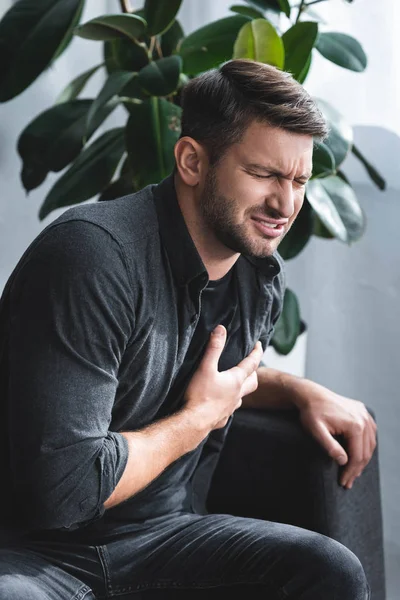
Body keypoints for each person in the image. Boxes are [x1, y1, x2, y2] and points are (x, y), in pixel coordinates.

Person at [0, 59, 375, 600]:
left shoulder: (255, 270)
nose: (285, 204)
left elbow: (201, 370)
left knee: (329, 570)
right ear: (192, 160)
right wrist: (197, 419)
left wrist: (297, 389)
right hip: (34, 553)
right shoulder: (92, 257)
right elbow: (61, 494)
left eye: (299, 180)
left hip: (163, 539)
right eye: (265, 174)